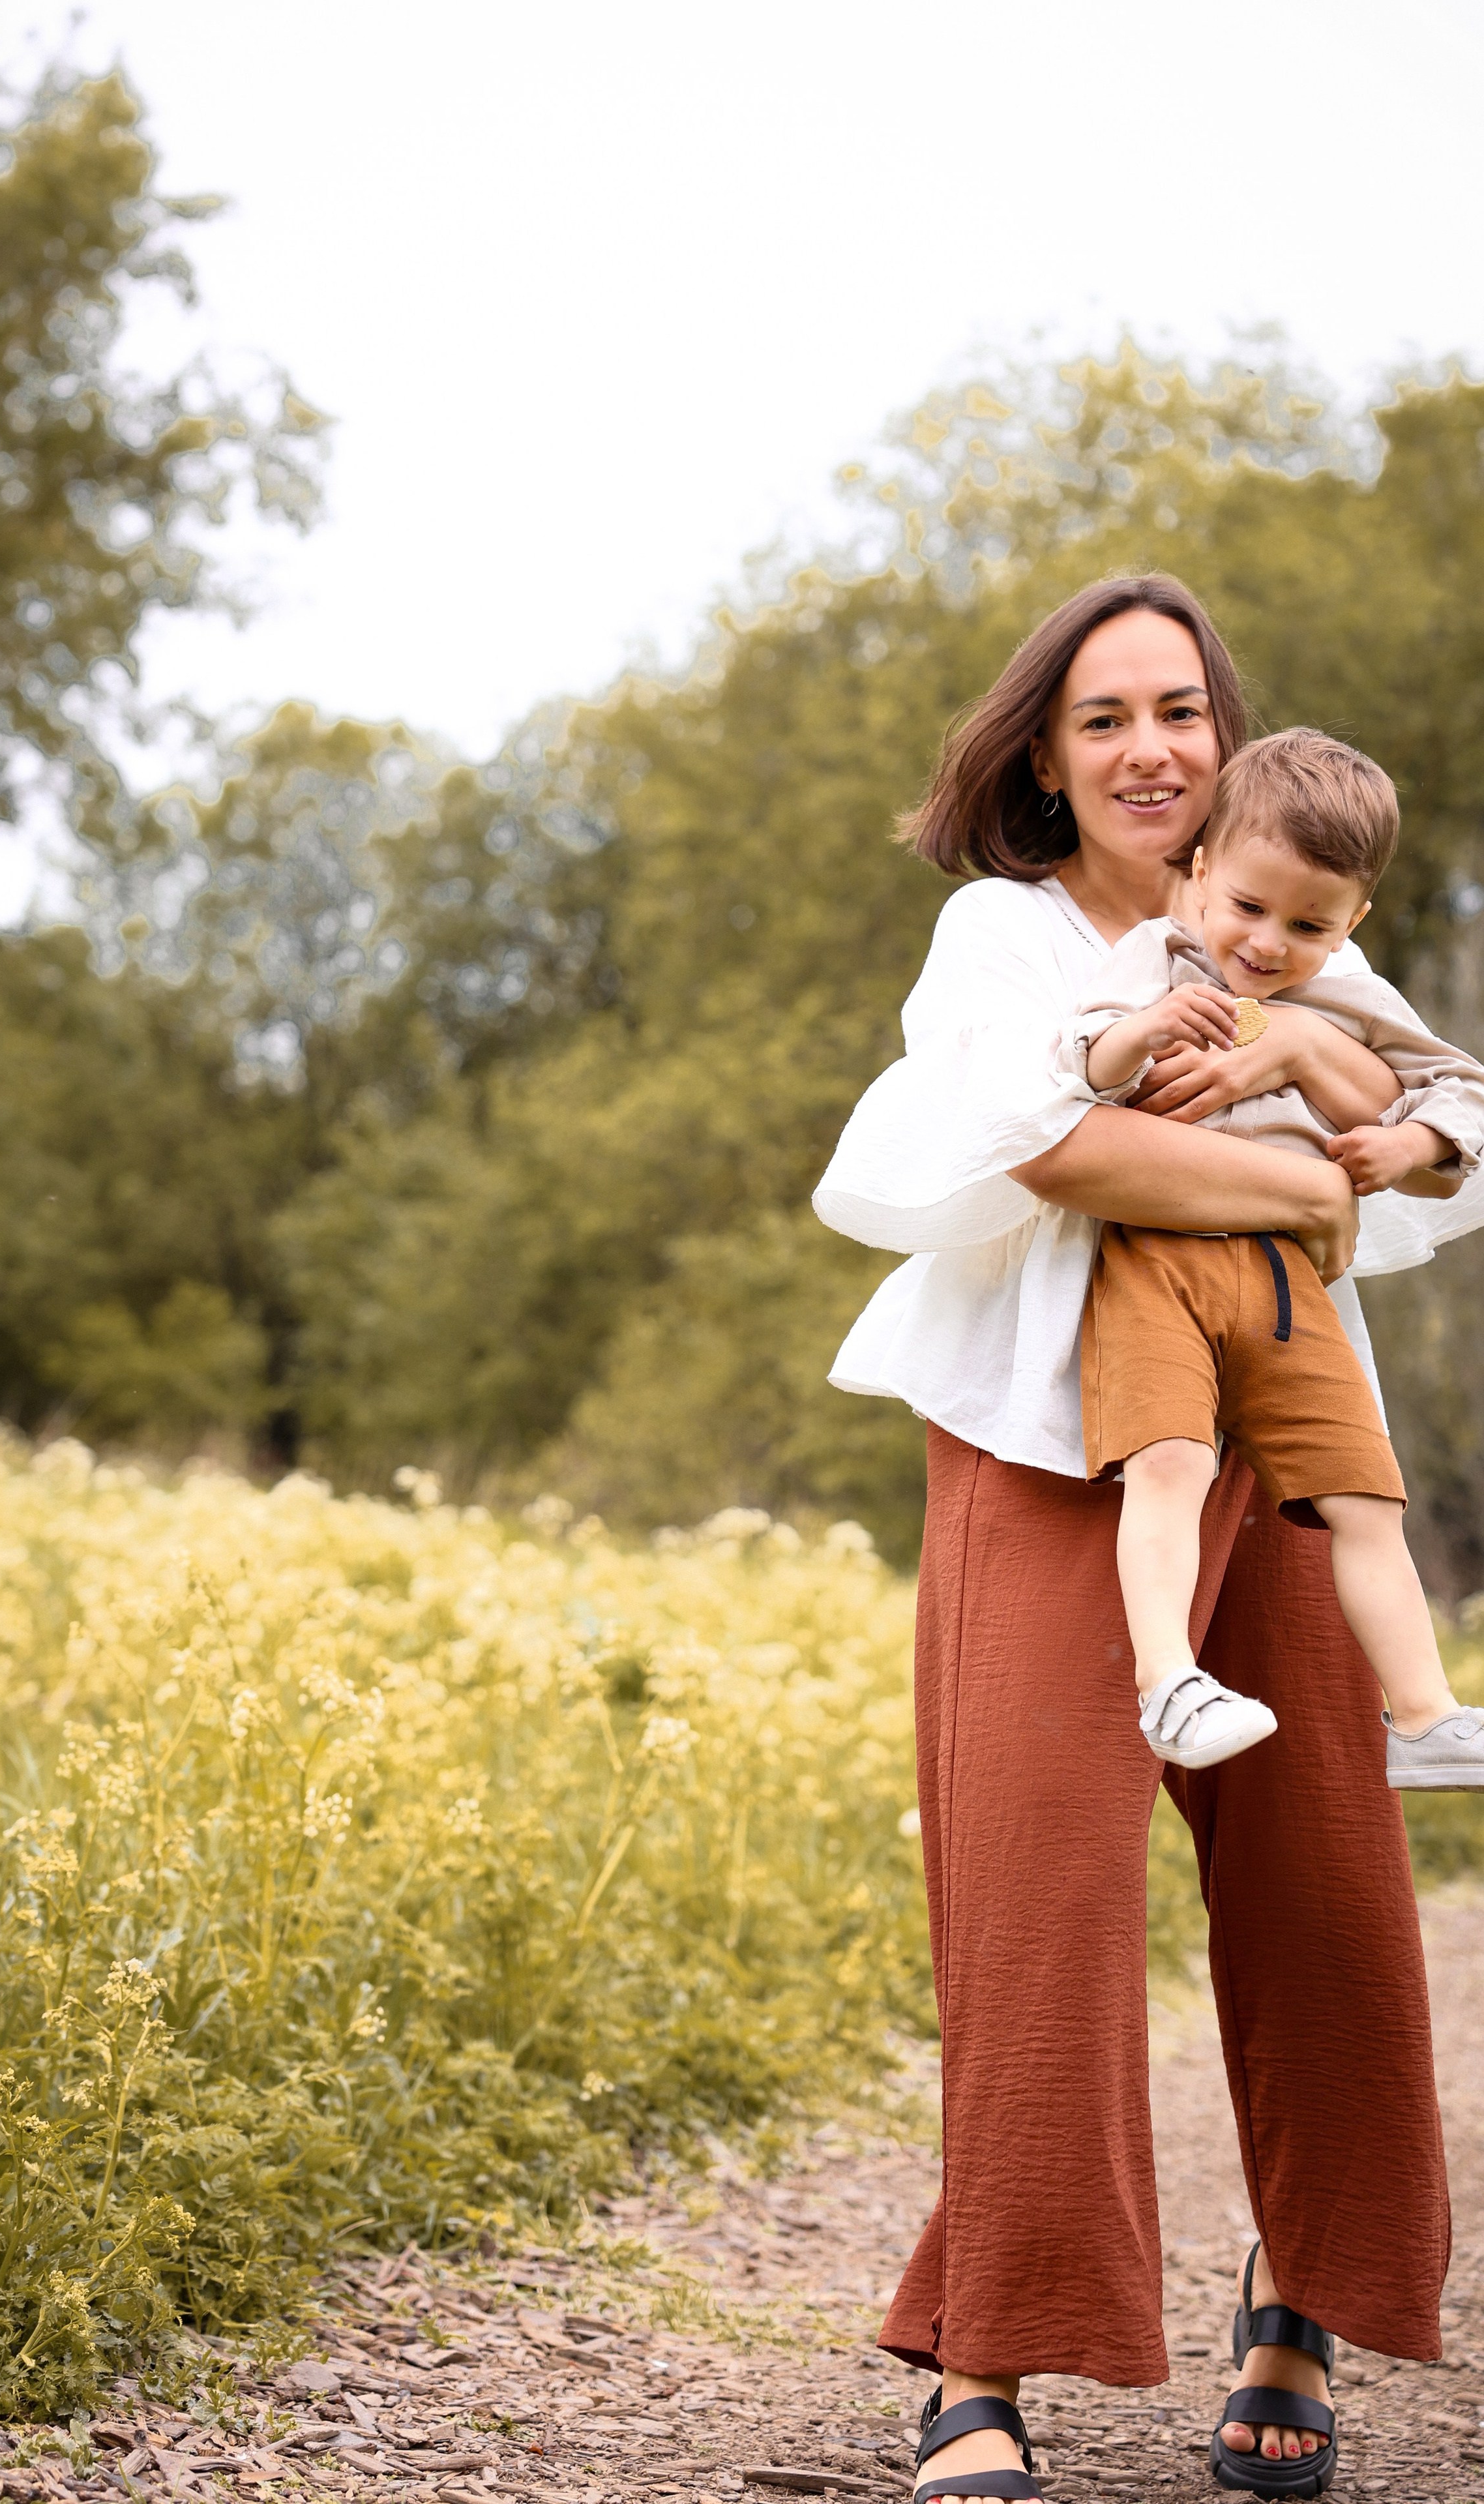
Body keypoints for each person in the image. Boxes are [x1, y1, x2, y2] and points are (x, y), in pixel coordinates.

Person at [812, 575, 1476, 2503]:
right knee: (1041, 1888)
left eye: (1180, 710)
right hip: (1041, 1444)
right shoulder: (1004, 938)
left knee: (1328, 1883)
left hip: (1270, 1418)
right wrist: (1306, 1165)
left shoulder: (1292, 924)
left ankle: (1305, 2305)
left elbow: (1459, 1117)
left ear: (1228, 737)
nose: (1149, 749)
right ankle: (985, 2355)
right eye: (1105, 717)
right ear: (1044, 749)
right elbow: (1057, 1152)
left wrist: (1366, 1104)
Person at [1062, 727, 1484, 1786]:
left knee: (1366, 1495)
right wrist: (1145, 1029)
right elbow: (1077, 1061)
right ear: (1200, 868)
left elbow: (1462, 1091)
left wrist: (1410, 1140)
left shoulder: (1349, 993)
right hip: (1156, 1257)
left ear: (1355, 922)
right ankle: (1170, 1680)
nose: (1267, 944)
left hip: (1293, 1284)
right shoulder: (1158, 958)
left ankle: (1426, 1718)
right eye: (1248, 906)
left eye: (1310, 924)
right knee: (1169, 1464)